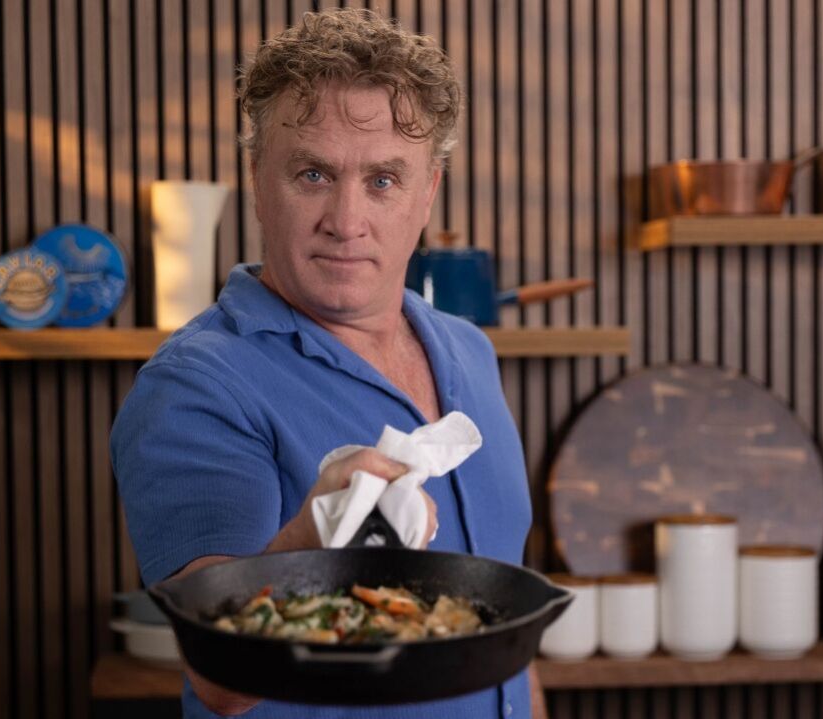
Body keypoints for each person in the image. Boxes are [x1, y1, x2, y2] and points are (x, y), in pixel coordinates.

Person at [111, 9, 543, 718]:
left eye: (383, 180)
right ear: (258, 180)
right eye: (313, 174)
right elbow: (222, 682)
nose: (346, 221)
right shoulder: (194, 386)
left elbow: (506, 636)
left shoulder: (470, 350)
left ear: (428, 192)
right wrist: (314, 541)